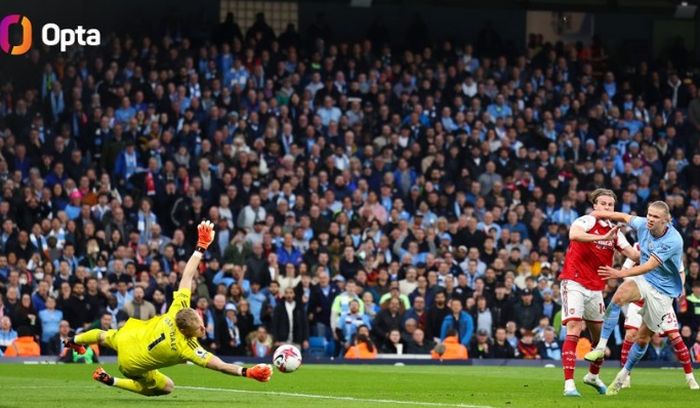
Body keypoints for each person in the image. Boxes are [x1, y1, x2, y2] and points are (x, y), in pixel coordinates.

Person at [64, 221, 272, 396]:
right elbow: (219, 365)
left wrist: (201, 246)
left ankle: (73, 340)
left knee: (102, 336)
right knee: (165, 387)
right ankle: (111, 380)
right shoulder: (186, 348)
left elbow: (187, 275)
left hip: (129, 334)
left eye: (201, 323)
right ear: (186, 331)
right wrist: (248, 372)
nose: (203, 328)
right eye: (199, 328)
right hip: (131, 362)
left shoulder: (178, 310)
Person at [585, 202, 690, 395]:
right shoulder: (643, 224)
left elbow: (649, 265)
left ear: (666, 220)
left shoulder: (673, 240)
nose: (650, 219)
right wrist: (598, 213)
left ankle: (623, 376)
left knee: (642, 339)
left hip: (663, 293)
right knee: (618, 297)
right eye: (649, 214)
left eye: (656, 217)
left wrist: (619, 273)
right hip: (645, 281)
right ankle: (600, 347)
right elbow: (624, 217)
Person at [558, 189, 638, 397]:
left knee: (599, 338)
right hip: (574, 281)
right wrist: (601, 236)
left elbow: (633, 254)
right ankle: (569, 385)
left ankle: (593, 376)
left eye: (610, 205)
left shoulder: (616, 232)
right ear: (595, 205)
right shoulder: (585, 221)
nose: (606, 208)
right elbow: (573, 234)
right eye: (602, 204)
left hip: (596, 288)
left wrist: (657, 248)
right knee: (574, 327)